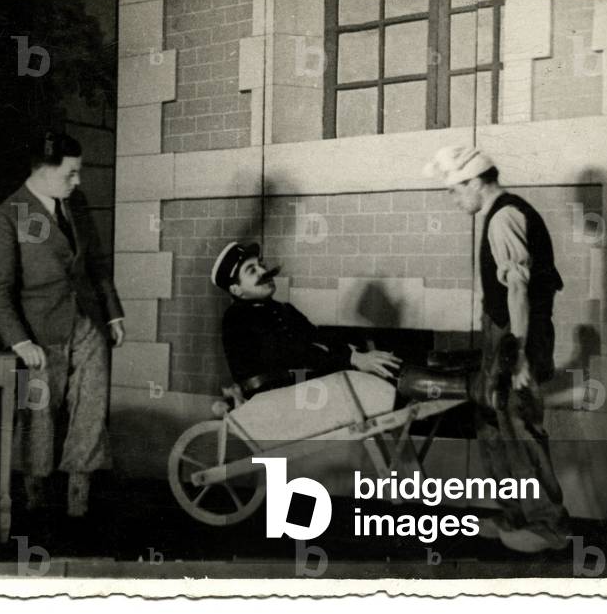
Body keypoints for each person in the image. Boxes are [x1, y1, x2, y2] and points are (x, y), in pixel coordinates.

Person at [423, 145, 570, 553]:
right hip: (501, 335)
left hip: (516, 336)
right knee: (492, 422)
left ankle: (548, 527)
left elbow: (519, 290)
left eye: (455, 192)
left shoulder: (504, 217)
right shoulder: (497, 215)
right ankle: (515, 515)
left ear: (473, 182)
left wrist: (518, 354)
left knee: (520, 427)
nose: (455, 201)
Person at [0, 130, 125, 518]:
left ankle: (80, 493)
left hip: (87, 324)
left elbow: (95, 261)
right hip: (39, 333)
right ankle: (34, 500)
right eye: (71, 174)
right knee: (38, 415)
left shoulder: (74, 205)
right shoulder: (6, 216)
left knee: (91, 408)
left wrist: (113, 313)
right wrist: (19, 342)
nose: (78, 181)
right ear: (44, 171)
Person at [212, 241, 403, 398]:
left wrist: (357, 349)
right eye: (251, 271)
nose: (263, 271)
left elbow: (316, 335)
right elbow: (291, 352)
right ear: (236, 290)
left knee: (374, 382)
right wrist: (351, 358)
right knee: (365, 393)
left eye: (261, 264)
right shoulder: (236, 318)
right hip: (272, 399)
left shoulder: (283, 309)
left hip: (295, 388)